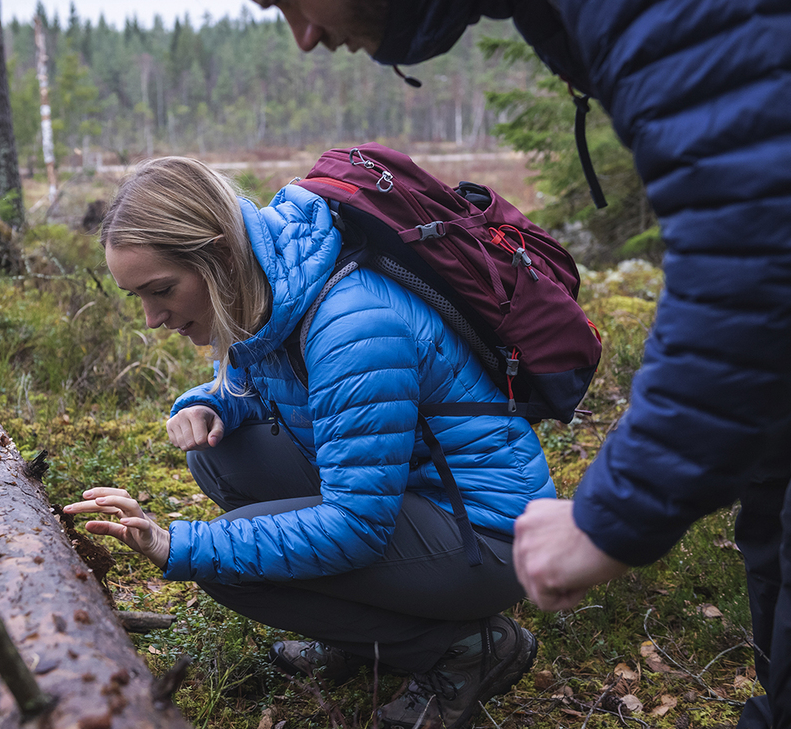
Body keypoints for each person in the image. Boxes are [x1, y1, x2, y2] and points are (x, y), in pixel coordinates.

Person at [177, 0, 791, 727]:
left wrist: (616, 512)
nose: (306, 35)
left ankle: (447, 644)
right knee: (774, 503)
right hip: (450, 508)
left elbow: (751, 232)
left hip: (479, 529)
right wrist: (215, 401)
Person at [63, 156, 552, 729]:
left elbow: (356, 526)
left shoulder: (352, 323)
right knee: (219, 455)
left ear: (218, 255)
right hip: (418, 497)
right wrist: (210, 403)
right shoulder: (275, 284)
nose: (151, 318)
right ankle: (361, 629)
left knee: (223, 564)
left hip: (490, 538)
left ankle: (465, 648)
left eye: (161, 289)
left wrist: (180, 548)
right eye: (136, 297)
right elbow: (287, 387)